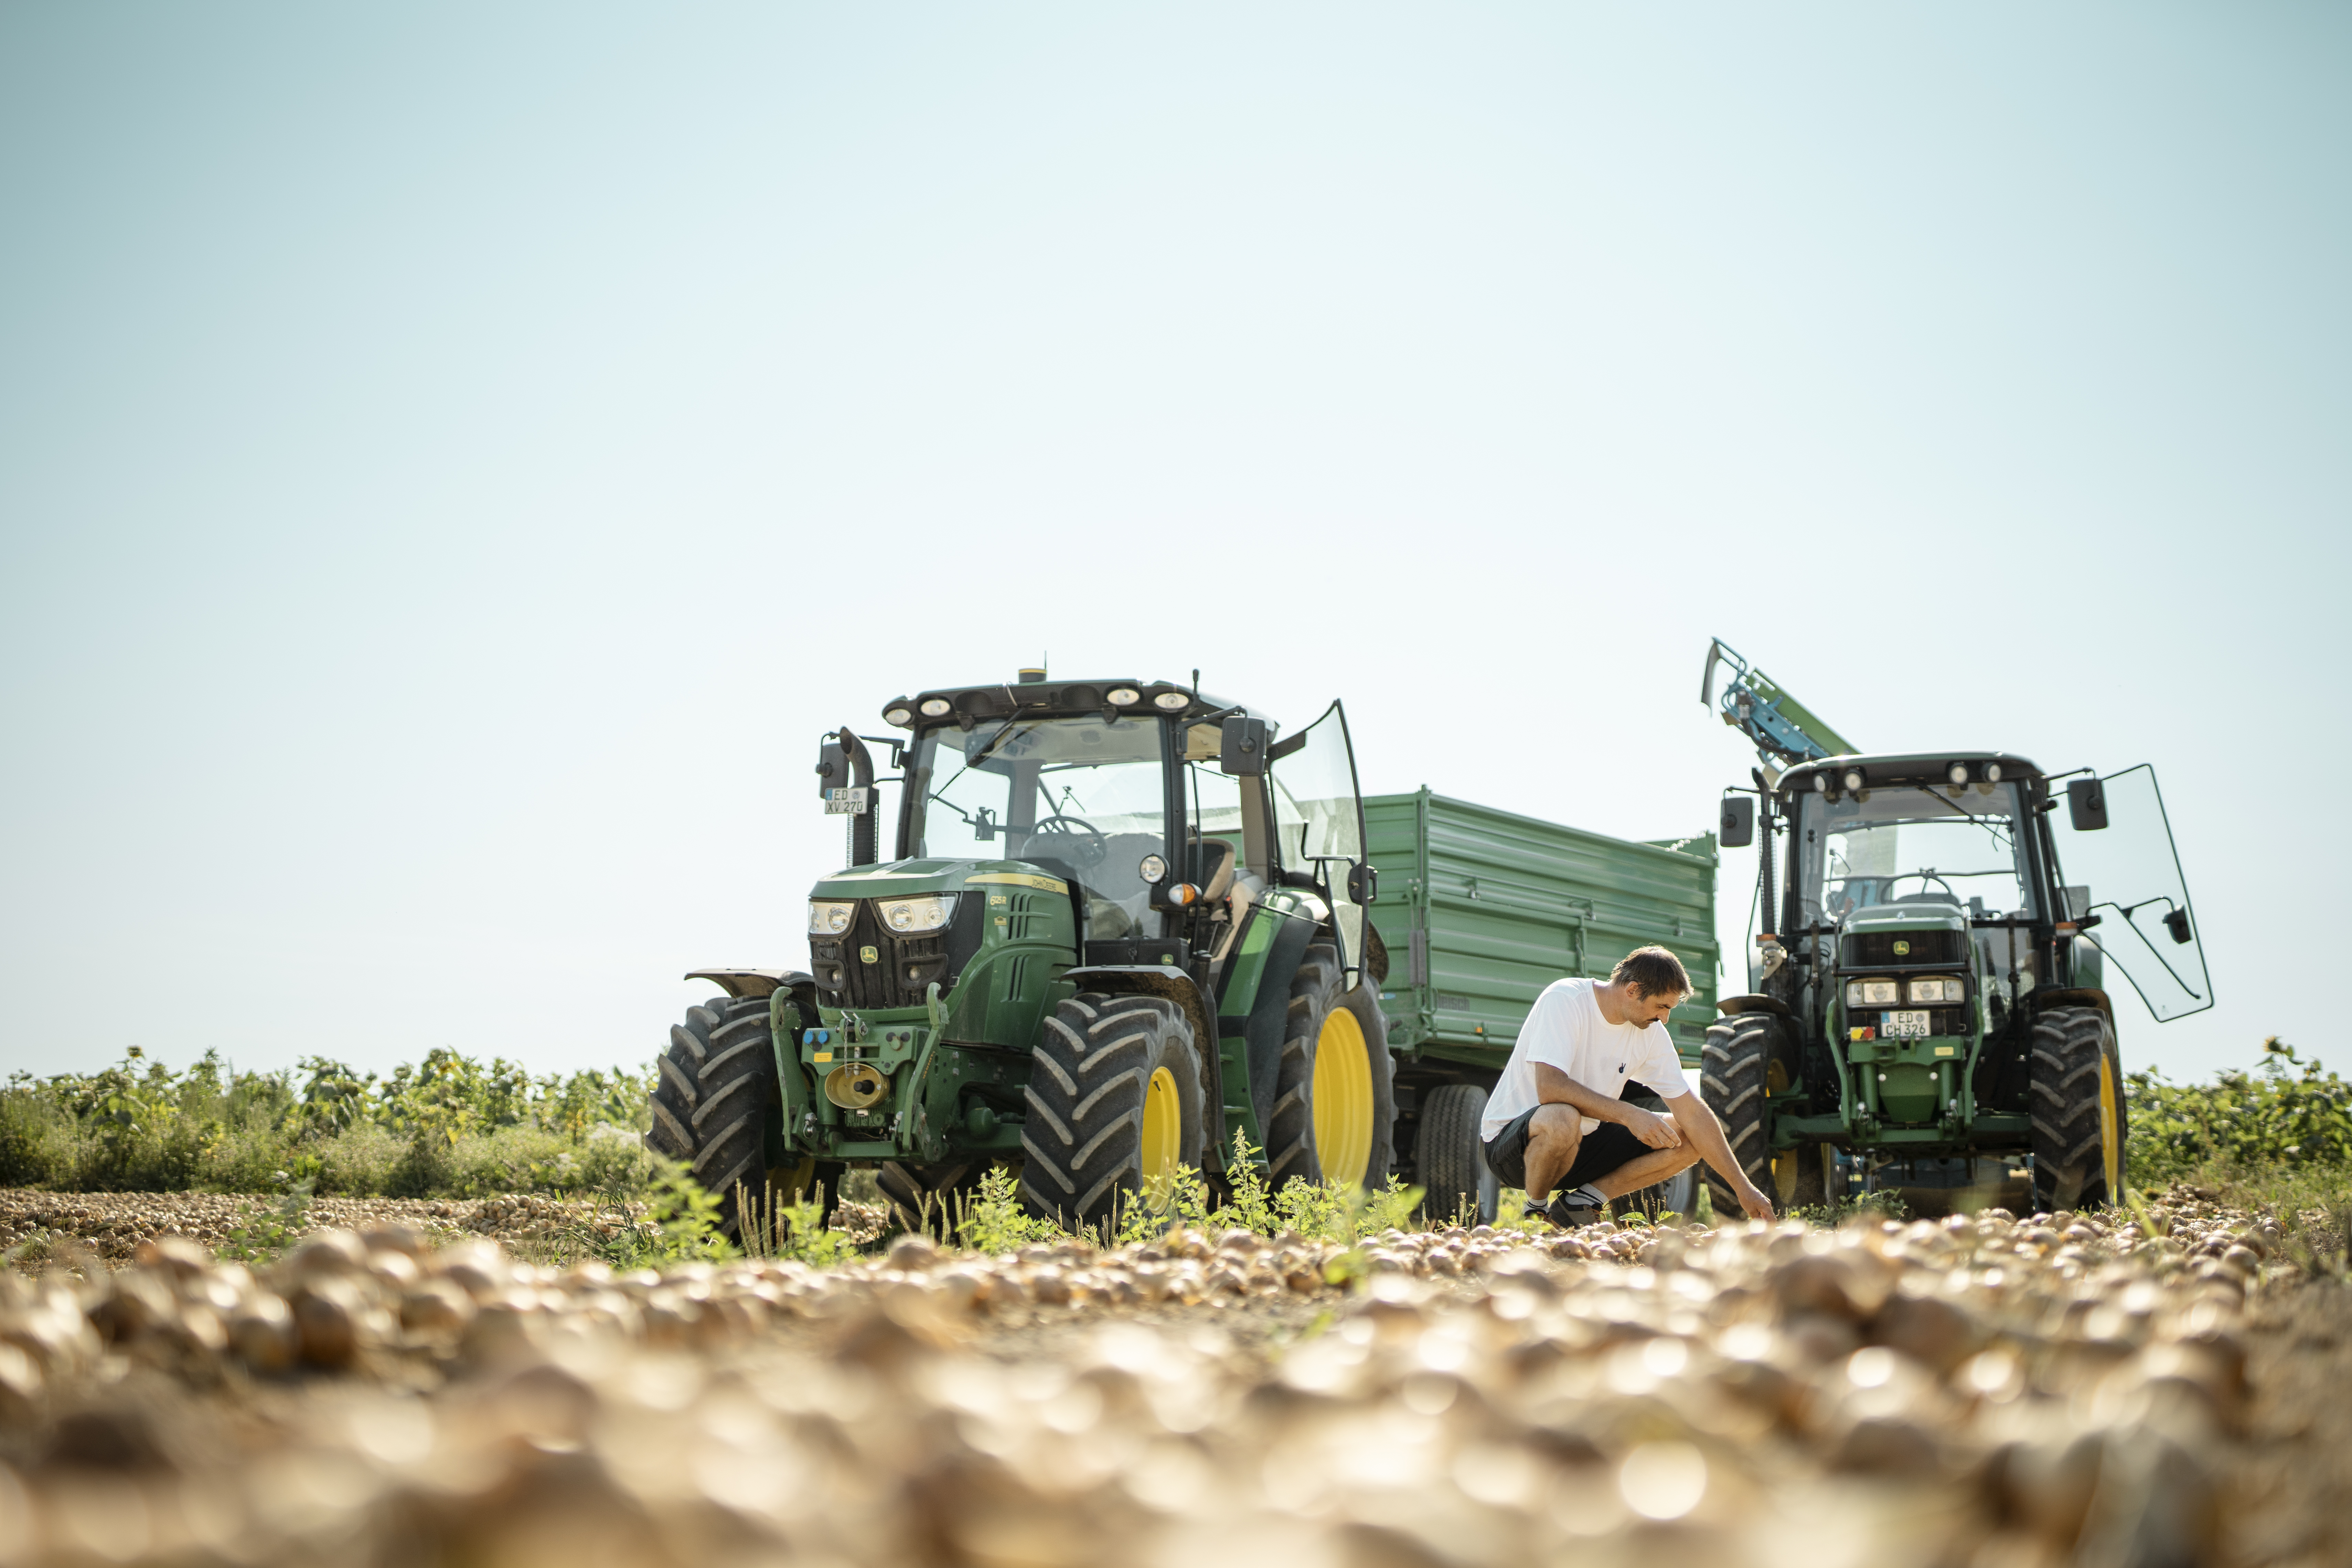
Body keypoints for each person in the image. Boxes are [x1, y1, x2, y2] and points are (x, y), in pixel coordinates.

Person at [1480, 946, 1777, 1225]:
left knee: (1688, 1136)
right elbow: (1551, 1088)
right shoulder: (1566, 999)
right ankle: (1536, 1211)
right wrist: (1630, 1115)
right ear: (1632, 990)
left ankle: (1580, 1204)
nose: (1665, 1018)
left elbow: (1694, 1113)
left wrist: (1744, 1188)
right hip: (1515, 1151)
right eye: (1662, 1006)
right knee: (1562, 1116)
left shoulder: (1650, 1033)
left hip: (1581, 1145)